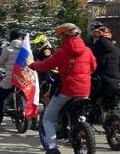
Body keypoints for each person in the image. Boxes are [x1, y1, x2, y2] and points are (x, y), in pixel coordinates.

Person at [29, 23, 97, 154]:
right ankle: (80, 128)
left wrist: (33, 65)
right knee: (80, 113)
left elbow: (46, 65)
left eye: (61, 36)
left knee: (48, 118)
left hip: (67, 90)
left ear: (65, 36)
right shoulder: (87, 51)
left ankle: (52, 148)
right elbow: (93, 67)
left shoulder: (61, 52)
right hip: (84, 90)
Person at [0, 29, 27, 130]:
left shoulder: (8, 49)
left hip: (11, 78)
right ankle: (34, 121)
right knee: (31, 97)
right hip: (25, 79)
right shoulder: (27, 49)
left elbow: (0, 62)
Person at [89, 26, 120, 108]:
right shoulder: (117, 50)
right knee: (114, 104)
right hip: (115, 82)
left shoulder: (94, 49)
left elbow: (90, 65)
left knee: (90, 102)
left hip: (100, 83)